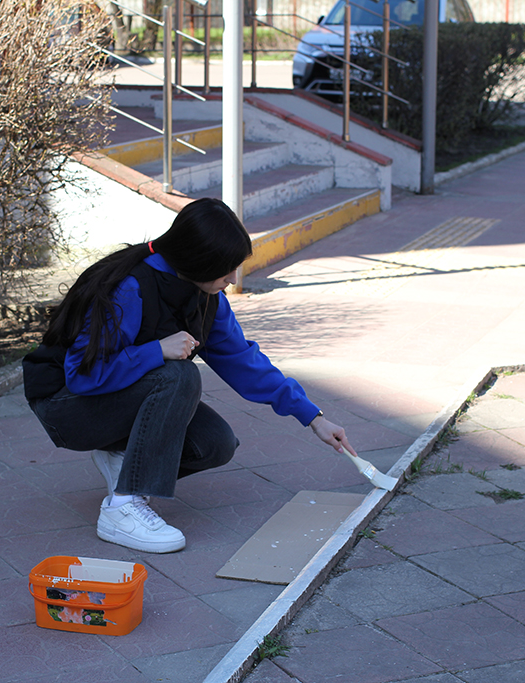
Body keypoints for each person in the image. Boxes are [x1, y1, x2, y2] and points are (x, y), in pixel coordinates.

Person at [22, 198, 358, 554]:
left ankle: (120, 459)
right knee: (180, 375)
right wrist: (156, 350)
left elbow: (244, 362)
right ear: (197, 259)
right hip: (65, 407)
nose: (232, 279)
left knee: (215, 443)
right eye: (225, 270)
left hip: (109, 400)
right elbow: (81, 375)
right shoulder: (129, 287)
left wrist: (313, 417)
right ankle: (121, 510)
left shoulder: (208, 297)